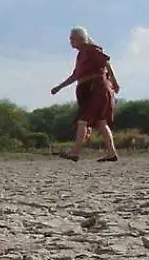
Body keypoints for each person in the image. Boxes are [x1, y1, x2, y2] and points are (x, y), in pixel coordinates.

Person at [51, 26, 121, 162]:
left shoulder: (92, 49)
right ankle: (111, 153)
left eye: (72, 38)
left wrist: (114, 82)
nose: (70, 41)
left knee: (83, 121)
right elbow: (75, 76)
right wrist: (59, 87)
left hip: (98, 88)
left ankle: (75, 152)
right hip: (90, 89)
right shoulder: (81, 55)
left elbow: (106, 63)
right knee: (101, 122)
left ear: (80, 38)